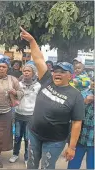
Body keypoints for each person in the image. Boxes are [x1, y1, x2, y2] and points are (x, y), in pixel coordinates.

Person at [20, 27, 85, 169]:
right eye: (56, 70)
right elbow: (38, 59)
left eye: (62, 71)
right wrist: (31, 40)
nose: (57, 73)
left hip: (55, 141)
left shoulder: (76, 96)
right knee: (31, 165)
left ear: (70, 75)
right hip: (34, 133)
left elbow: (76, 123)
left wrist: (72, 147)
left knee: (47, 167)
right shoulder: (47, 80)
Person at [9, 63, 41, 167]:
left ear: (33, 73)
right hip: (19, 114)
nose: (26, 72)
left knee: (28, 138)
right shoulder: (18, 84)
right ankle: (15, 154)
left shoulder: (38, 85)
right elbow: (14, 97)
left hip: (31, 116)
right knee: (17, 136)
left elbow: (40, 101)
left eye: (29, 71)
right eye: (24, 71)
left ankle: (27, 157)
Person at [68, 80, 94, 169]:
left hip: (93, 143)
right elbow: (73, 114)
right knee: (73, 166)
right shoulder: (83, 94)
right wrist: (84, 102)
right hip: (79, 140)